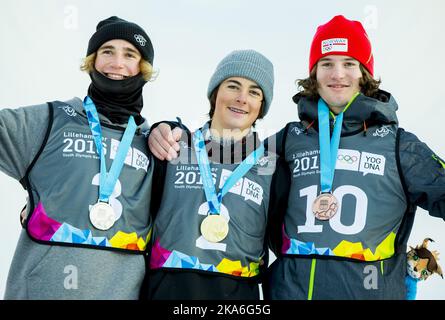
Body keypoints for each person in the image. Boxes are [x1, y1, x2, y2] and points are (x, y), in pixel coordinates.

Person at [264, 15, 445, 300]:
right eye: (327, 64)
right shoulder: (288, 139)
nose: (337, 74)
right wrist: (170, 132)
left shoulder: (399, 145)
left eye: (349, 63)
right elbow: (223, 166)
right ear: (314, 75)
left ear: (364, 73)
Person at [1, 16, 158, 299]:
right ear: (92, 61)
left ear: (143, 68)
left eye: (129, 54)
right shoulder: (51, 121)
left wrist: (176, 130)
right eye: (107, 51)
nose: (117, 63)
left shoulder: (155, 143)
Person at [145, 49, 278, 300]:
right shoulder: (174, 146)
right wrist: (159, 129)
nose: (241, 98)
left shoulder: (271, 164)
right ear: (215, 92)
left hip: (238, 295)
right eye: (233, 86)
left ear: (262, 106)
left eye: (254, 92)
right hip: (167, 290)